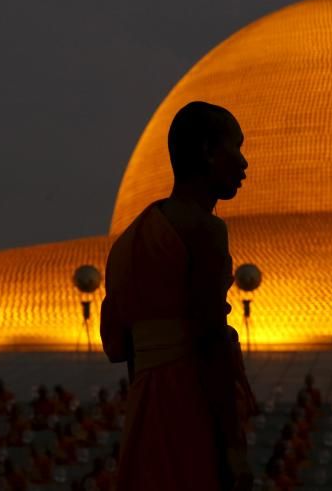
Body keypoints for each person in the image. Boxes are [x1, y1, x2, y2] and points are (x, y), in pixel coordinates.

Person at [101, 101, 259, 491]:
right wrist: (232, 447)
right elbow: (209, 337)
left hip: (146, 400)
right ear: (207, 151)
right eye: (235, 148)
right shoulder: (203, 229)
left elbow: (123, 345)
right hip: (189, 399)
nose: (243, 164)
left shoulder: (129, 241)